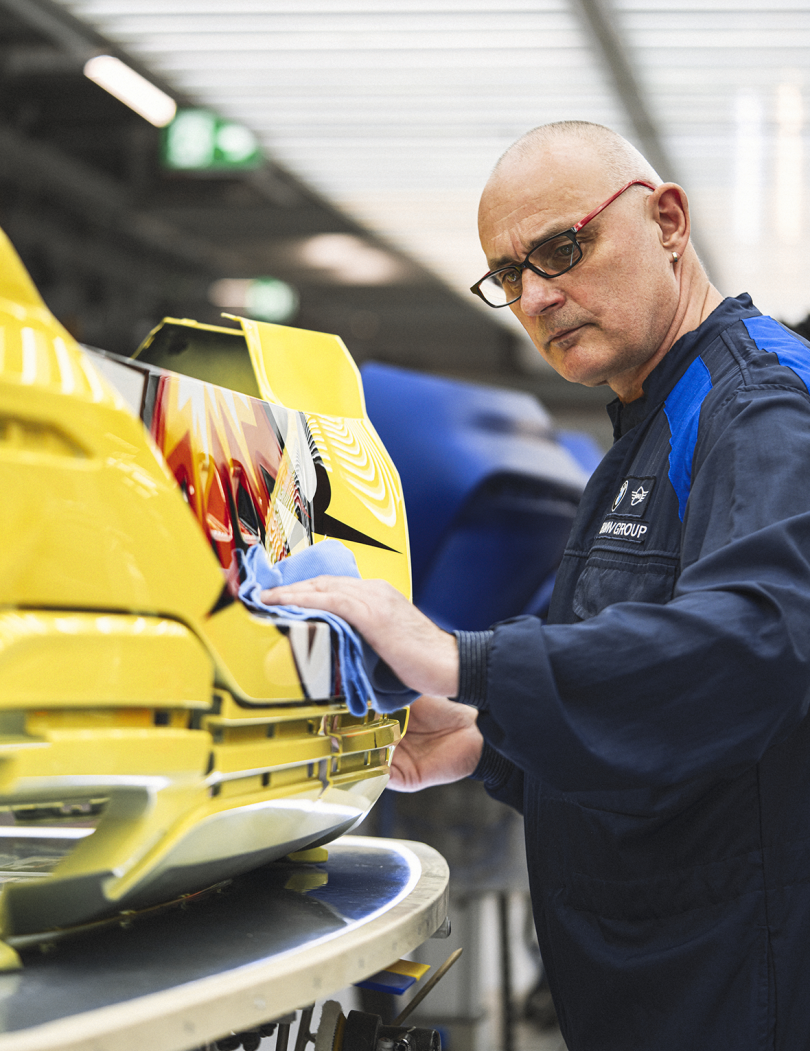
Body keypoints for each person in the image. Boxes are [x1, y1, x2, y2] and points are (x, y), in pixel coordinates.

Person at [262, 121, 810, 1051]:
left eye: (564, 247)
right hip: (657, 976)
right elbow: (647, 687)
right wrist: (487, 736)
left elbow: (760, 644)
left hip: (738, 978)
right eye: (509, 275)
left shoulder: (755, 404)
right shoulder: (647, 418)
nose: (540, 295)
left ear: (668, 222)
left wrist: (460, 657)